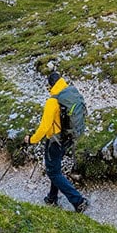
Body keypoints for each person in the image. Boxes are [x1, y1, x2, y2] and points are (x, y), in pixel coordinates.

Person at [28, 71, 89, 213]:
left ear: (50, 85)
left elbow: (44, 127)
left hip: (54, 141)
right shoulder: (70, 92)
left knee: (53, 172)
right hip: (67, 138)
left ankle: (78, 202)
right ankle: (52, 197)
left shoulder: (52, 102)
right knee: (55, 169)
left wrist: (31, 140)